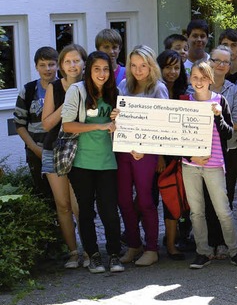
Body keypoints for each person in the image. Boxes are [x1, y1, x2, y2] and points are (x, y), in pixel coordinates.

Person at [183, 60, 237, 270]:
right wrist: (190, 157)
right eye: (195, 77)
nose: (199, 81)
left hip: (214, 164)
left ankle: (235, 251)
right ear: (189, 79)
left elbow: (229, 133)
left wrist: (219, 117)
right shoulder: (185, 102)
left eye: (203, 77)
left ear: (210, 80)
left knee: (223, 210)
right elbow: (178, 138)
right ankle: (202, 251)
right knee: (196, 211)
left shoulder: (220, 101)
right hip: (190, 164)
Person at [62, 51, 122, 274]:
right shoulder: (77, 91)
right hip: (81, 162)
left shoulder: (115, 92)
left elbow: (124, 128)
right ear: (88, 70)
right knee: (85, 211)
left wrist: (119, 119)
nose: (102, 73)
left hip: (108, 162)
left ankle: (115, 254)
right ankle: (93, 255)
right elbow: (67, 126)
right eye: (97, 69)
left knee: (109, 211)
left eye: (106, 69)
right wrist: (99, 126)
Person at [116, 45, 169, 266]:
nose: (138, 70)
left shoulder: (158, 88)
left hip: (146, 153)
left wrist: (147, 148)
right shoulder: (122, 86)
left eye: (143, 65)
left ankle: (151, 248)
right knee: (124, 200)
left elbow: (164, 124)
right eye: (134, 65)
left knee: (146, 200)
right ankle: (133, 244)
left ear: (151, 66)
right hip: (123, 151)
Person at [204, 45, 237, 256]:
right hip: (201, 151)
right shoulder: (196, 86)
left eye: (226, 62)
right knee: (207, 198)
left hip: (229, 149)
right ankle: (211, 240)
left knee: (224, 196)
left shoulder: (233, 89)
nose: (221, 65)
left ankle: (226, 243)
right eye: (217, 60)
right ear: (210, 62)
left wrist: (219, 127)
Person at [41, 44, 87, 268]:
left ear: (83, 63)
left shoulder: (91, 85)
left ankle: (89, 251)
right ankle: (72, 253)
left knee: (80, 205)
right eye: (67, 61)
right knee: (63, 205)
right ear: (61, 66)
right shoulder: (54, 88)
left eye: (76, 60)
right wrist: (68, 100)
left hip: (82, 150)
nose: (72, 65)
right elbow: (46, 123)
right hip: (54, 149)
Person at [156, 49, 189, 260]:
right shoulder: (152, 90)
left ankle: (171, 244)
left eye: (176, 67)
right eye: (167, 67)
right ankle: (140, 241)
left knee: (172, 198)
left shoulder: (185, 92)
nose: (172, 71)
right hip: (156, 155)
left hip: (179, 155)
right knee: (146, 200)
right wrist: (158, 156)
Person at [14, 46, 57, 203]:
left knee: (63, 198)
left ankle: (66, 227)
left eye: (51, 64)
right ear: (36, 67)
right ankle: (51, 227)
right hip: (36, 151)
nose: (47, 69)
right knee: (44, 196)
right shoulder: (28, 90)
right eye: (42, 65)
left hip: (61, 151)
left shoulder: (66, 89)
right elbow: (19, 125)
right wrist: (35, 148)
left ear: (58, 65)